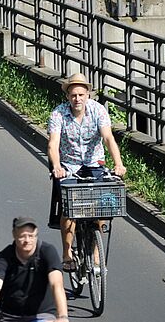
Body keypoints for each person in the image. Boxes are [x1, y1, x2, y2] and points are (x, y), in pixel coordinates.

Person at [47, 72, 126, 271]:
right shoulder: (58, 114)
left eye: (81, 95)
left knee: (101, 204)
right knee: (69, 209)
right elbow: (53, 144)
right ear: (67, 96)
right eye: (73, 95)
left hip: (94, 162)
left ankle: (96, 251)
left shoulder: (98, 111)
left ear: (88, 95)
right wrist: (57, 166)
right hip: (69, 165)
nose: (77, 99)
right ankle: (67, 253)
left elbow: (108, 138)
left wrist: (118, 164)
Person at [0, 217, 70, 322]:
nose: (27, 240)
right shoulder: (4, 257)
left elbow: (56, 284)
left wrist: (63, 317)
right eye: (22, 236)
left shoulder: (47, 252)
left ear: (36, 235)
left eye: (31, 236)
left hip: (41, 316)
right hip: (10, 317)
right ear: (14, 235)